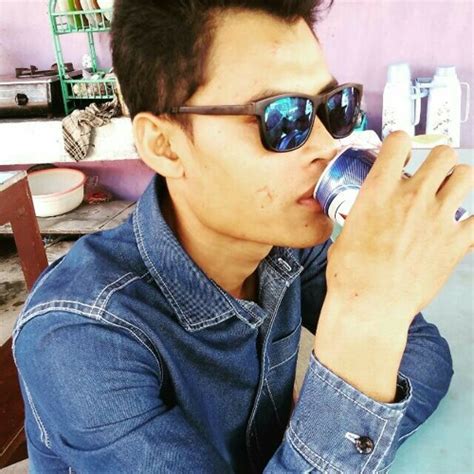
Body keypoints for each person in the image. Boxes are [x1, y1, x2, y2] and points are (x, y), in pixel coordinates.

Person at [13, 0, 473, 472]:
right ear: (165, 145)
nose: (326, 146)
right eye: (283, 118)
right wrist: (367, 322)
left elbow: (424, 354)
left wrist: (322, 430)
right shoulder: (79, 336)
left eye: (334, 108)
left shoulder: (284, 243)